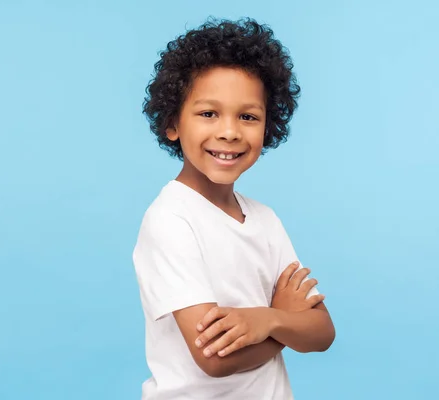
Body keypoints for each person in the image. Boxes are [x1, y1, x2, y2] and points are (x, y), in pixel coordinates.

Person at [133, 17, 335, 399]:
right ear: (172, 123)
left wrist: (268, 318)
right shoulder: (171, 220)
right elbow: (214, 358)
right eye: (209, 113)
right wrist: (282, 326)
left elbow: (323, 332)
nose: (229, 132)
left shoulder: (264, 219)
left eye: (248, 116)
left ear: (267, 125)